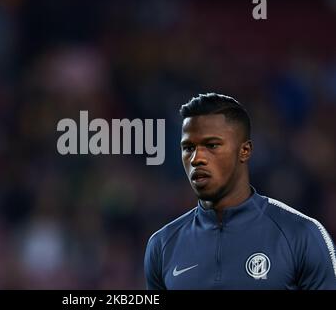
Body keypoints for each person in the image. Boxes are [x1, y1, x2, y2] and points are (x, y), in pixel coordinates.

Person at [144, 93, 336, 289]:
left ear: (245, 151)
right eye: (188, 147)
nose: (196, 159)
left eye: (212, 145)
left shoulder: (301, 235)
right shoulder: (162, 245)